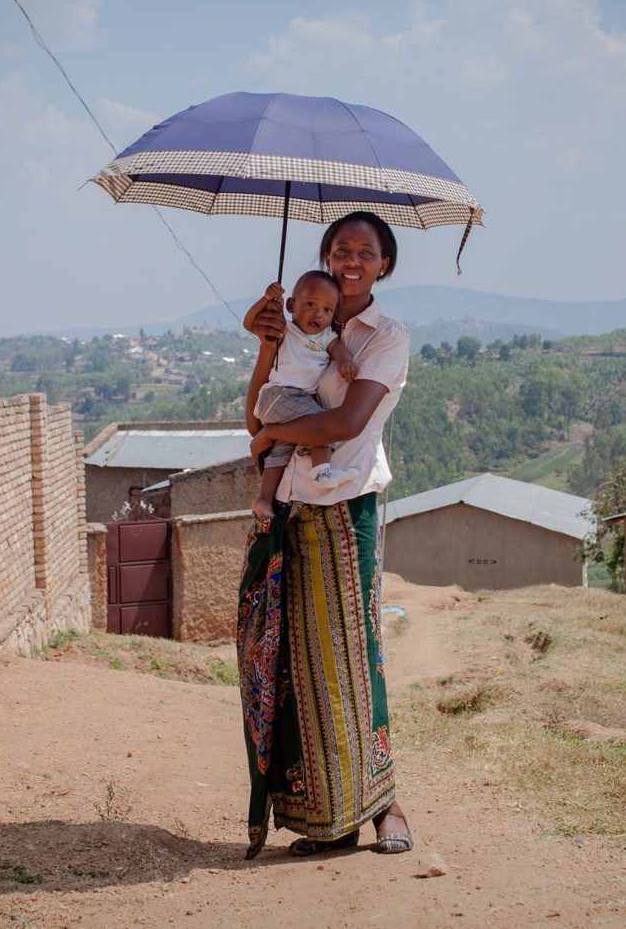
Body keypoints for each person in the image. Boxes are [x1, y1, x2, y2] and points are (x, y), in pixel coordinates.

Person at [236, 210, 415, 859]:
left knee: (355, 653)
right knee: (296, 662)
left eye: (365, 252)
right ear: (325, 257)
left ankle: (384, 801)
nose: (351, 259)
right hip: (291, 507)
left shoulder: (384, 337)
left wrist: (268, 437)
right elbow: (260, 406)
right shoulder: (300, 323)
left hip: (345, 508)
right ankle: (326, 817)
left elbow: (343, 422)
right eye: (340, 248)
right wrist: (265, 344)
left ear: (383, 265)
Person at [245, 270, 360, 521]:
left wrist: (345, 360)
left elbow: (338, 348)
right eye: (310, 304)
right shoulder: (285, 329)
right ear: (291, 305)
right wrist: (266, 300)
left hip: (294, 401)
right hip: (280, 396)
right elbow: (250, 323)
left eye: (327, 310)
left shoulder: (325, 336)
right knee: (321, 426)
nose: (319, 313)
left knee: (281, 450)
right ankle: (321, 473)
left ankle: (263, 499)